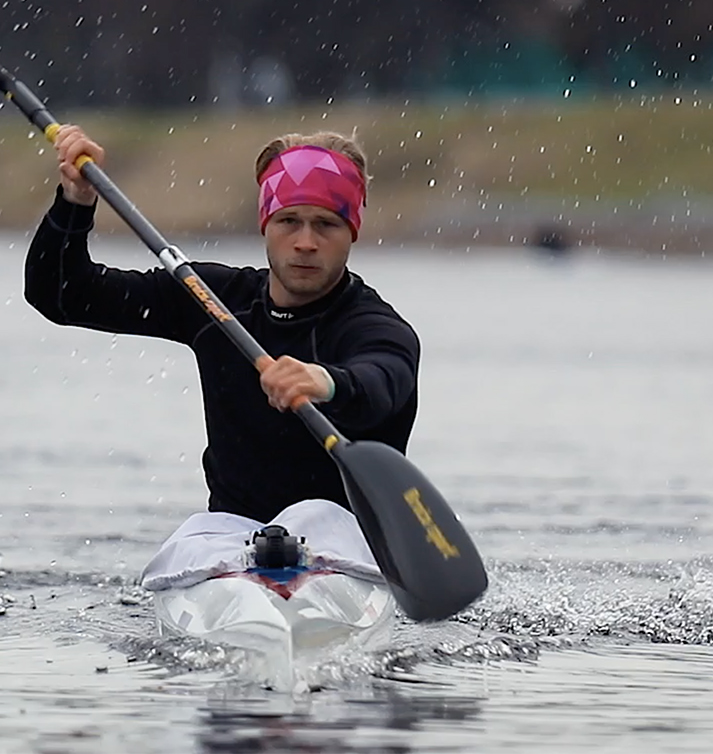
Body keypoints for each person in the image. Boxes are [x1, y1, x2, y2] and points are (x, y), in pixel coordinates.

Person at [23, 126, 420, 531]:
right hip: (231, 539)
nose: (305, 242)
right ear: (266, 223)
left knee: (312, 517)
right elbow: (61, 295)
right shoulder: (212, 298)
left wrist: (326, 382)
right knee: (194, 534)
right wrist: (75, 201)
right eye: (289, 220)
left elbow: (382, 382)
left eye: (326, 224)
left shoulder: (377, 328)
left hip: (345, 539)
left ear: (352, 231)